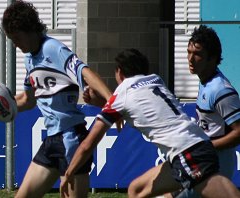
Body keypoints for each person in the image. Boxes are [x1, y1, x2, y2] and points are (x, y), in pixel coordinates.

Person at [0, 1, 117, 197]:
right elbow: (28, 99)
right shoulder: (29, 59)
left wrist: (112, 100)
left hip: (72, 139)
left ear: (29, 30)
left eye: (16, 38)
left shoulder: (53, 49)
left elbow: (85, 72)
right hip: (52, 141)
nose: (15, 44)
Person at [60, 48, 240, 198]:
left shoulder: (121, 95)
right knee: (136, 190)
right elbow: (138, 110)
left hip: (188, 154)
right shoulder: (156, 80)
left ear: (120, 72)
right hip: (193, 148)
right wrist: (101, 103)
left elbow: (87, 144)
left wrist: (68, 174)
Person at [166, 25, 240, 198]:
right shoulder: (206, 81)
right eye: (189, 52)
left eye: (197, 54)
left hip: (216, 166)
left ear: (212, 58)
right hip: (203, 161)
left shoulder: (221, 90)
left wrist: (206, 147)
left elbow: (239, 133)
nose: (190, 59)